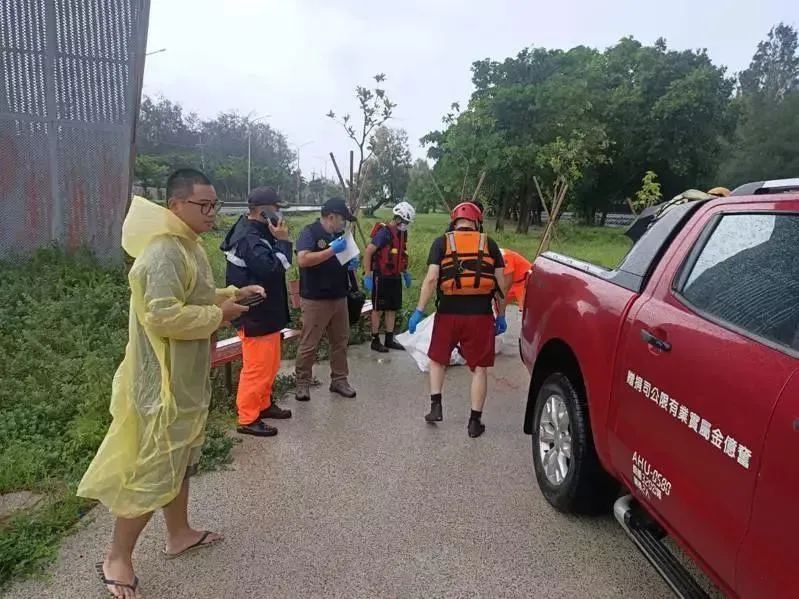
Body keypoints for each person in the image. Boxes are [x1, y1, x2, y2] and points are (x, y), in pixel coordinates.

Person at [78, 169, 264, 599]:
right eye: (204, 205)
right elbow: (161, 316)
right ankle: (117, 557)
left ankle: (178, 533)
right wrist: (222, 315)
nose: (211, 212)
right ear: (174, 205)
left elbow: (195, 296)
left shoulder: (188, 247)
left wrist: (233, 294)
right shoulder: (162, 253)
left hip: (187, 378)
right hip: (161, 384)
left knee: (178, 461)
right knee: (153, 470)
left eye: (215, 204)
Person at [407, 201, 506, 438]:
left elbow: (432, 279)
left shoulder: (442, 243)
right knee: (480, 369)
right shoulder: (489, 244)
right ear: (476, 222)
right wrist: (500, 316)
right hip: (480, 315)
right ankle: (474, 422)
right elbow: (501, 286)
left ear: (454, 221)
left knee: (438, 360)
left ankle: (436, 407)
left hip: (448, 313)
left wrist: (419, 310)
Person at [220, 186, 293, 437]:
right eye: (277, 208)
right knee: (257, 368)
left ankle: (263, 404)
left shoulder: (260, 232)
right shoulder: (249, 238)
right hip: (255, 315)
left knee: (270, 365)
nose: (280, 213)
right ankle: (248, 417)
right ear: (263, 212)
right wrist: (283, 241)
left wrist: (278, 238)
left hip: (267, 313)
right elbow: (272, 269)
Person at [293, 197, 360, 401]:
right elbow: (303, 259)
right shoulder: (310, 232)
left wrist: (353, 266)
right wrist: (331, 251)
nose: (344, 224)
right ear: (331, 217)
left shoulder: (341, 235)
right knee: (309, 343)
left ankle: (339, 380)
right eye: (342, 219)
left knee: (340, 341)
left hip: (339, 297)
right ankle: (303, 382)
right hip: (315, 299)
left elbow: (350, 261)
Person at [363, 201, 415, 353]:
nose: (406, 225)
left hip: (395, 276)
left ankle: (389, 339)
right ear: (398, 219)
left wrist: (405, 272)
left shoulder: (402, 233)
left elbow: (401, 254)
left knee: (392, 308)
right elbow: (368, 252)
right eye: (405, 222)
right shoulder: (384, 233)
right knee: (378, 309)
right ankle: (375, 340)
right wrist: (367, 274)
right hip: (382, 276)